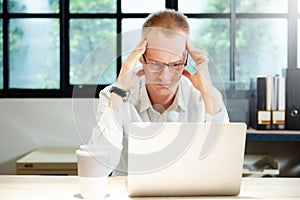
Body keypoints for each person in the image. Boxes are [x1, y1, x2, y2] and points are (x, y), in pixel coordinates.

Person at [89, 9, 229, 175]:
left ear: (186, 59)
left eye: (175, 64)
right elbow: (98, 169)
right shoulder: (113, 95)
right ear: (141, 57)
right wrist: (119, 92)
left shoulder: (202, 97)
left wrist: (207, 93)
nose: (165, 76)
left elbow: (223, 166)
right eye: (156, 64)